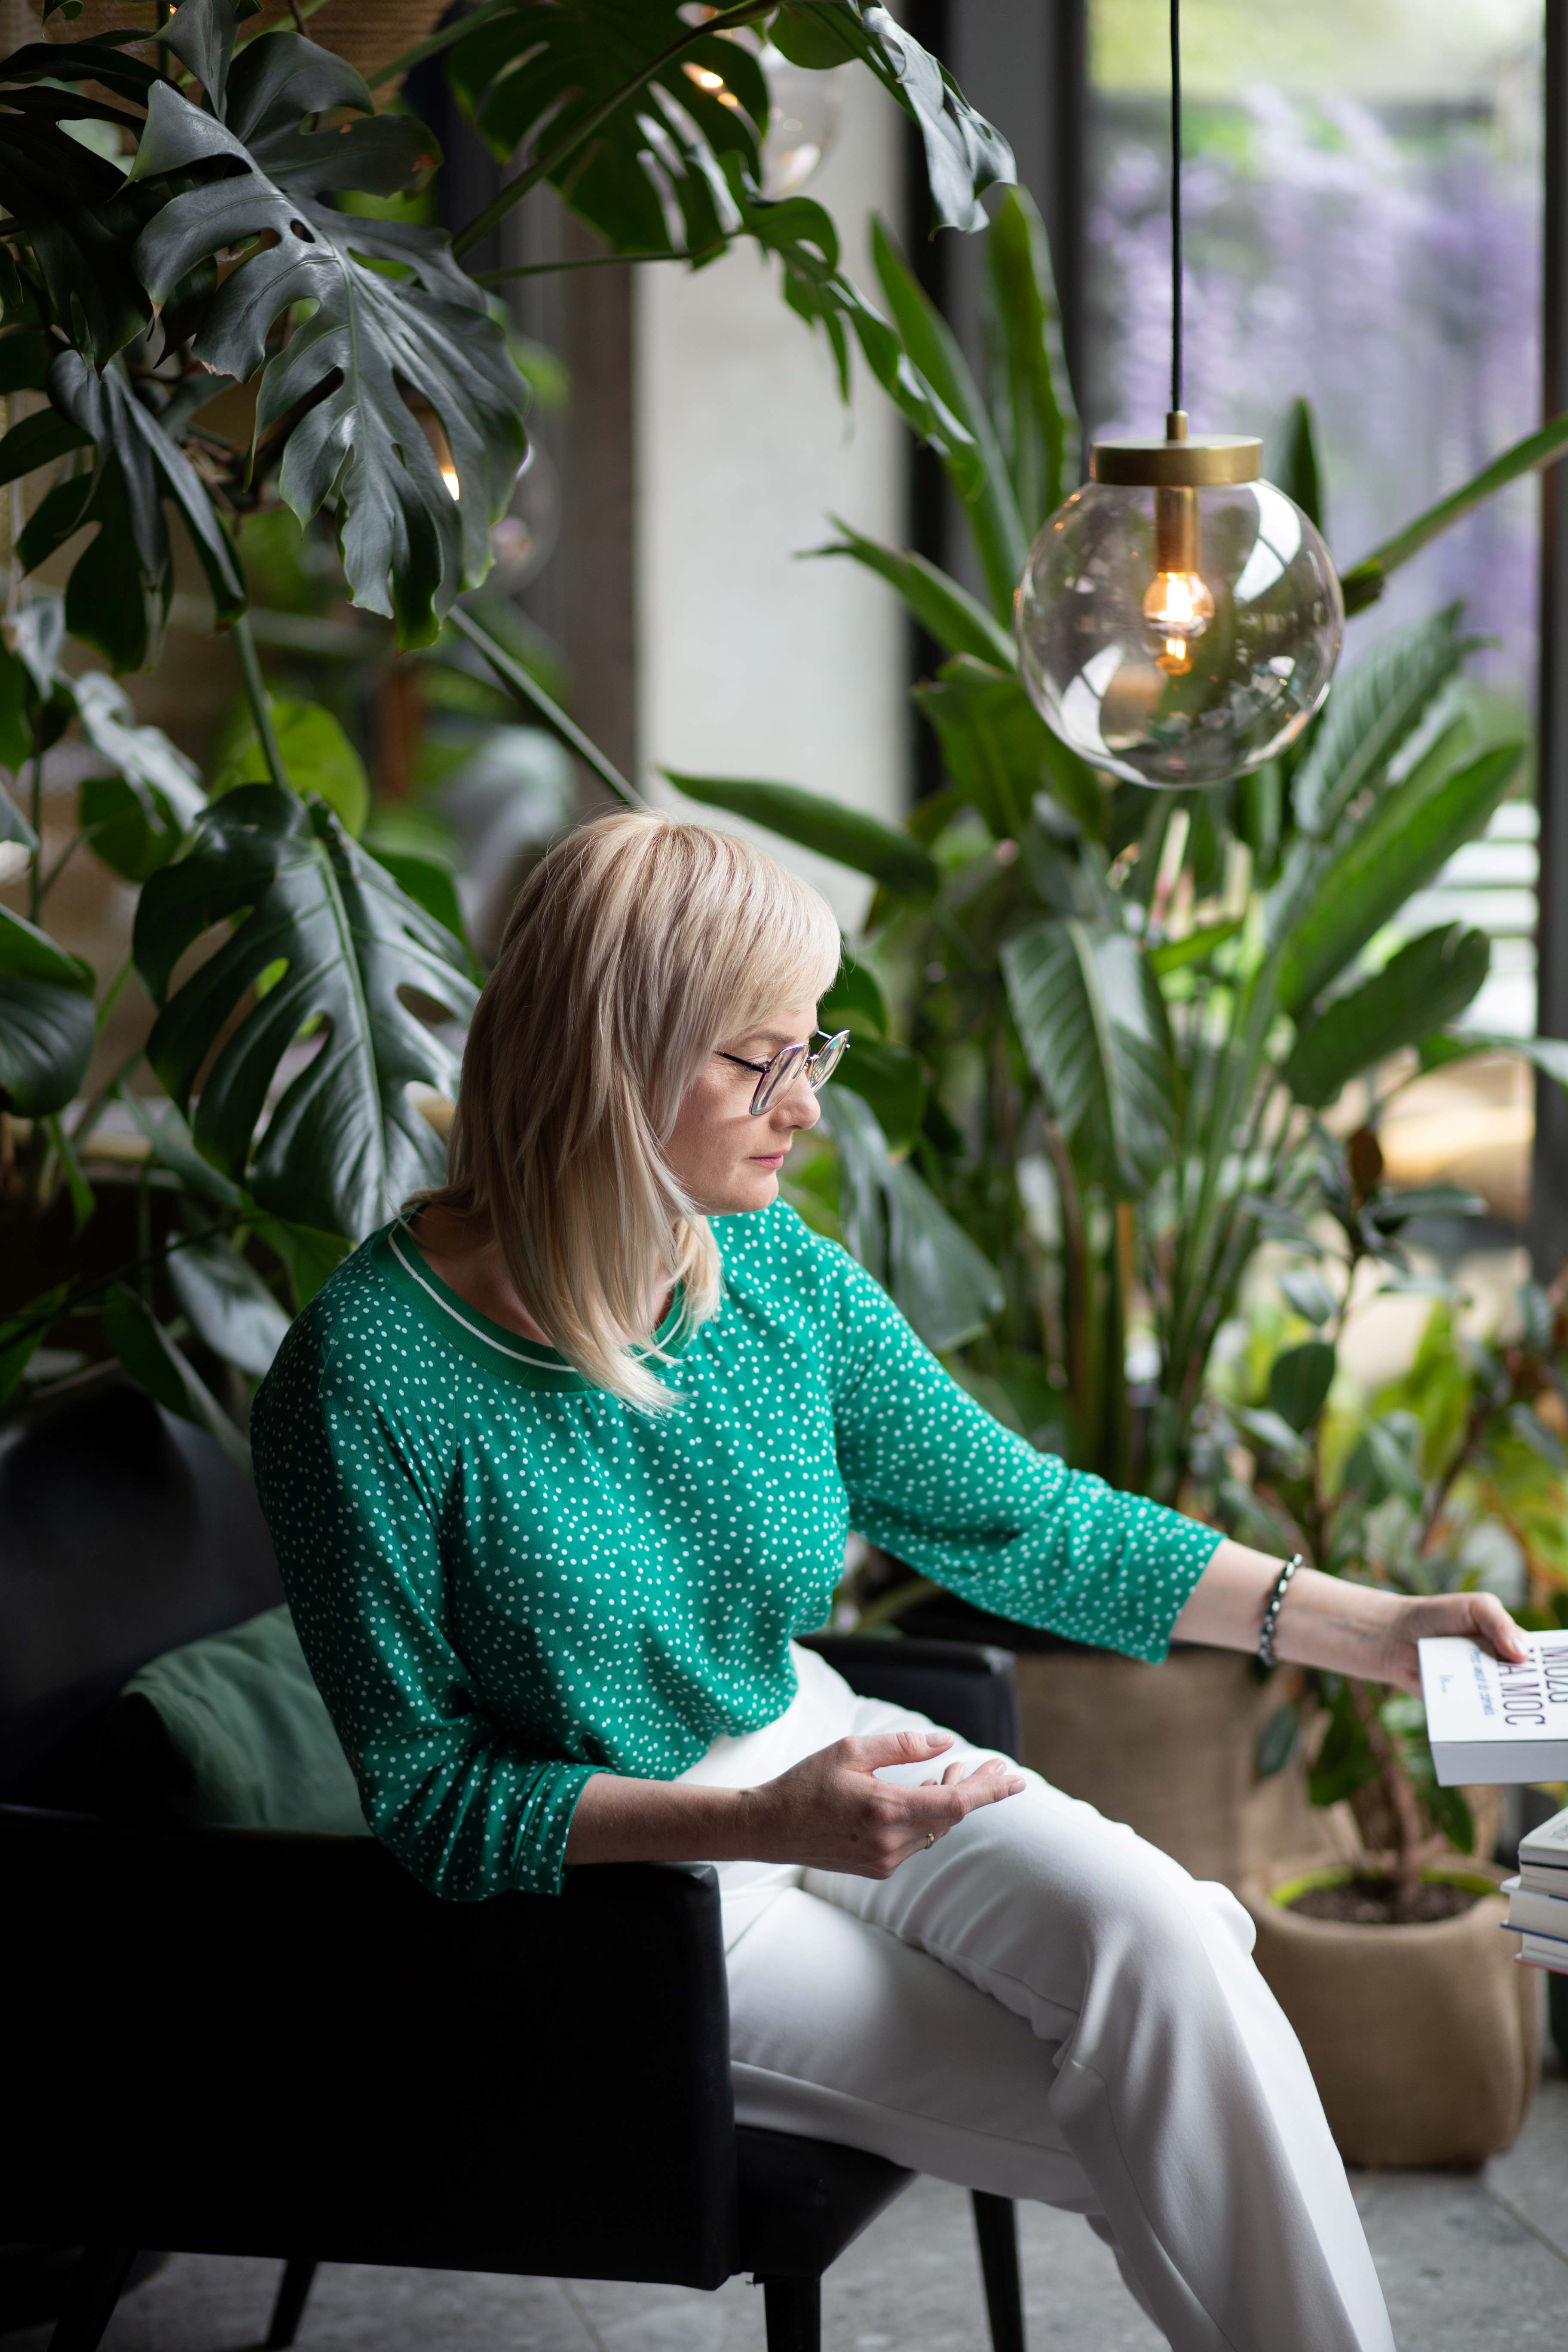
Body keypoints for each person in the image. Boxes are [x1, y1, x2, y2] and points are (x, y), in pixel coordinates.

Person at [252, 810, 1526, 2352]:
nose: (805, 1108)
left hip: (825, 1744)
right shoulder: (367, 1373)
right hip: (635, 1900)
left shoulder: (769, 1268)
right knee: (1182, 2097)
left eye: (814, 1051)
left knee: (1177, 1953)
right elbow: (432, 1798)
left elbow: (1026, 1521)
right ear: (610, 1053)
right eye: (755, 1062)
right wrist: (758, 1826)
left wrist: (1380, 1632)